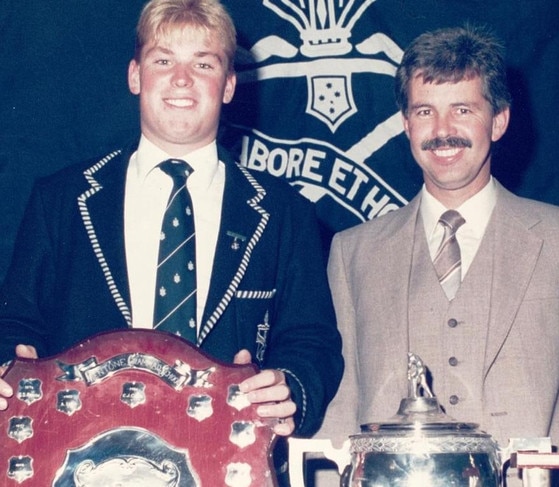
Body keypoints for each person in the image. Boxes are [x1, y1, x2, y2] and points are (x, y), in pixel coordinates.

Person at [0, 0, 342, 447]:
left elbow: (312, 341)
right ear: (135, 76)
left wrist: (291, 387)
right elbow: (15, 324)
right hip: (78, 455)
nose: (182, 79)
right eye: (163, 60)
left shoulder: (283, 212)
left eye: (204, 63)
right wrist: (10, 364)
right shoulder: (60, 200)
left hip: (227, 457)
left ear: (229, 86)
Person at [316, 25, 559, 486]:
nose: (442, 131)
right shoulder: (352, 252)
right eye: (425, 111)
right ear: (406, 124)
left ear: (499, 120)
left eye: (463, 110)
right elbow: (337, 419)